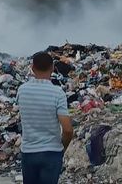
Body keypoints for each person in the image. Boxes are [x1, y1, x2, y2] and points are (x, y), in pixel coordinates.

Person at [16, 51, 74, 184]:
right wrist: (62, 148)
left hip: (29, 152)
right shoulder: (57, 93)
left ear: (32, 67)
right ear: (53, 68)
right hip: (51, 153)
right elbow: (68, 130)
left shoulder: (22, 90)